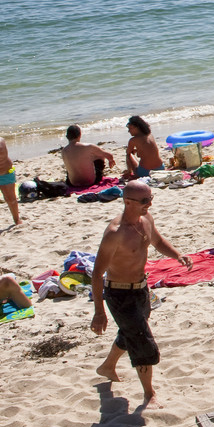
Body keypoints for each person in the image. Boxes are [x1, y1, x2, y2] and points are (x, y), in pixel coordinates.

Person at [91, 182, 193, 408]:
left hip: (141, 289)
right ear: (128, 202)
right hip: (119, 293)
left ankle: (107, 366)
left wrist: (177, 255)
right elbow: (97, 273)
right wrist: (99, 312)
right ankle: (149, 393)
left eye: (150, 198)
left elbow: (156, 241)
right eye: (145, 200)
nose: (150, 203)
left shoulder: (146, 220)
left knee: (132, 331)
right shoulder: (114, 234)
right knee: (141, 340)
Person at [60, 125, 116, 190]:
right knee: (100, 155)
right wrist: (111, 160)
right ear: (80, 135)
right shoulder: (88, 146)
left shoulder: (64, 151)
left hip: (72, 183)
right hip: (91, 182)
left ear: (67, 137)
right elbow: (109, 155)